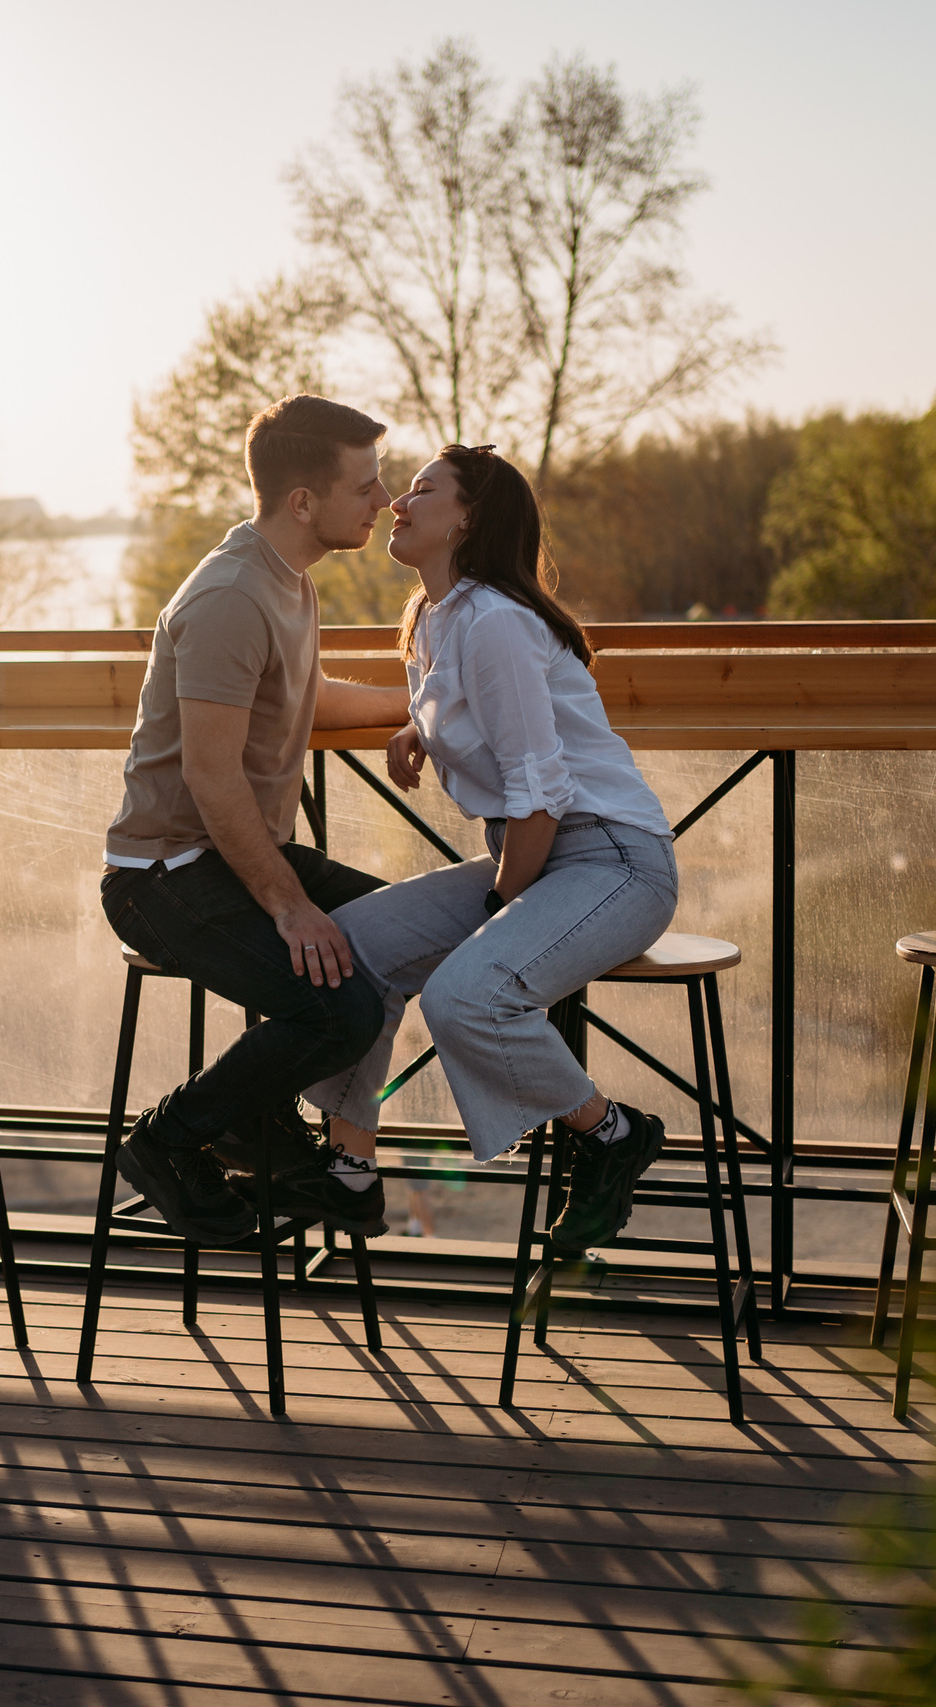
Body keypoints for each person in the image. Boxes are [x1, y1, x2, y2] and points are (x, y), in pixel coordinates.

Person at [302, 444, 681, 1256]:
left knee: (465, 993)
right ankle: (348, 1165)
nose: (397, 502)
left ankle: (611, 1134)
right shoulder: (440, 619)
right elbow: (481, 713)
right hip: (543, 853)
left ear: (467, 518)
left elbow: (539, 793)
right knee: (355, 947)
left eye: (421, 490)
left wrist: (503, 904)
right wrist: (414, 728)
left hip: (612, 861)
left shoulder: (497, 620)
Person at [101, 394, 412, 1242]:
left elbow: (305, 702)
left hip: (231, 855)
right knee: (342, 1010)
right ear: (302, 501)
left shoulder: (290, 582)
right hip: (161, 878)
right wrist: (290, 904)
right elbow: (209, 777)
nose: (383, 499)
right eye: (365, 484)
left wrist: (422, 706)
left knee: (402, 935)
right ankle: (170, 1140)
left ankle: (255, 1122)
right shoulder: (233, 596)